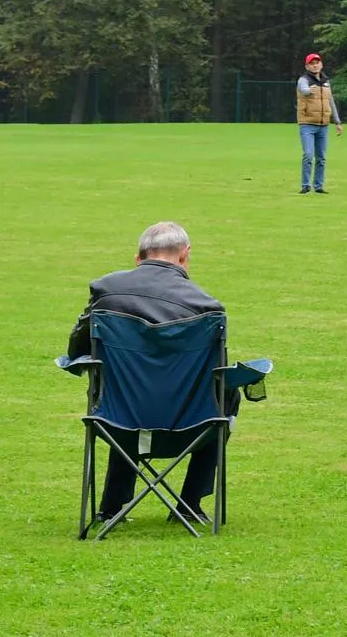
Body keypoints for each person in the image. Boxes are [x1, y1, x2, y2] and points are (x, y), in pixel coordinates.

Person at [65, 222, 230, 525]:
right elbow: (216, 370)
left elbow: (76, 348)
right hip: (190, 428)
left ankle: (111, 507)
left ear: (139, 256)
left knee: (124, 385)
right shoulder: (207, 307)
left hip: (115, 423)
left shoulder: (106, 290)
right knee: (224, 394)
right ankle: (190, 503)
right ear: (185, 255)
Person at [296, 53, 342, 194]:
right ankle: (305, 185)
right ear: (307, 66)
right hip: (307, 124)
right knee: (308, 155)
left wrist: (337, 122)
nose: (315, 65)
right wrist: (309, 90)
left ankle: (318, 186)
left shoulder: (326, 82)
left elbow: (331, 102)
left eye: (317, 62)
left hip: (323, 125)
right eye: (312, 63)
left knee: (321, 157)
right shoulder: (303, 80)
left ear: (321, 65)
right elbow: (303, 90)